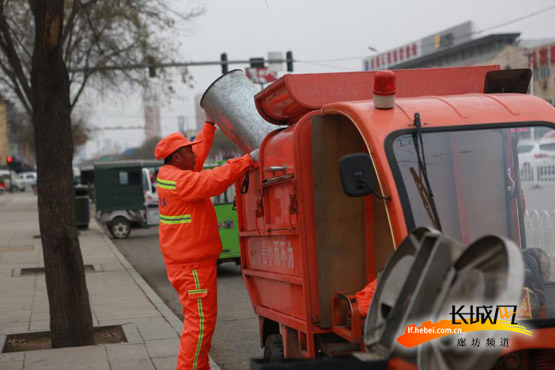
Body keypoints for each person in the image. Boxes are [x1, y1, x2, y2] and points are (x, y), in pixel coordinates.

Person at [154, 115, 258, 370]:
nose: (194, 154)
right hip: (192, 268)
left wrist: (209, 125)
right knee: (199, 325)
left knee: (202, 323)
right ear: (177, 157)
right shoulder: (180, 181)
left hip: (193, 264)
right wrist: (247, 160)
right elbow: (210, 181)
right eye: (187, 150)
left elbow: (197, 153)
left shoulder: (175, 172)